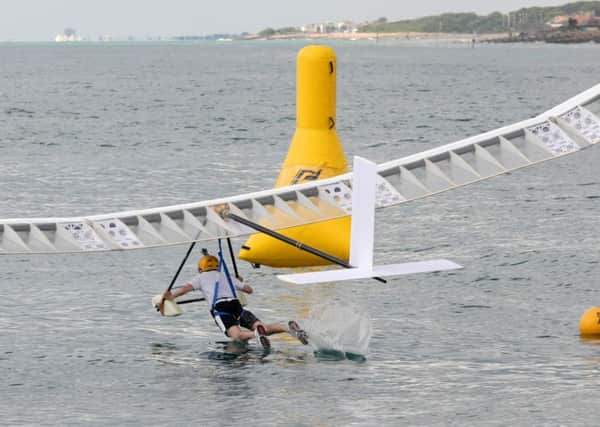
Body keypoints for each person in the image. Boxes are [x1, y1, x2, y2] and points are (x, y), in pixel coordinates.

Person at [162, 252, 308, 349]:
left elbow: (185, 289)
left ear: (201, 268)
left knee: (237, 336)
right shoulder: (228, 276)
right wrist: (238, 281)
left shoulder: (200, 278)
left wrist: (171, 296)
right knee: (263, 326)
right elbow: (249, 290)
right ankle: (288, 329)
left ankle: (256, 335)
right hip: (236, 304)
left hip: (221, 308)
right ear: (217, 266)